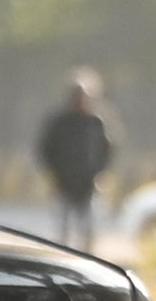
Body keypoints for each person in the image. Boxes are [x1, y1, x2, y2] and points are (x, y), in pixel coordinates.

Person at [35, 71, 119, 248]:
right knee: (63, 231)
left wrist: (99, 171)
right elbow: (45, 149)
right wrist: (55, 172)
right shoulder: (59, 122)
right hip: (63, 183)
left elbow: (109, 149)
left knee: (89, 229)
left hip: (89, 185)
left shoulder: (96, 122)